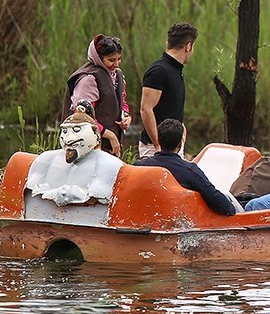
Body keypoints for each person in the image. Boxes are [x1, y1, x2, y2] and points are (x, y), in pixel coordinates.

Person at [135, 118, 240, 216]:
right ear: (180, 144)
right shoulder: (190, 171)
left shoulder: (140, 166)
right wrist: (231, 208)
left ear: (158, 141)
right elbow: (216, 200)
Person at [62, 34, 131, 157]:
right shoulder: (89, 79)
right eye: (111, 60)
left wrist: (126, 116)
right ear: (99, 58)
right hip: (89, 149)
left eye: (119, 59)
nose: (116, 64)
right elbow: (80, 116)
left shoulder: (116, 75)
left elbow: (122, 101)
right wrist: (109, 135)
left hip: (110, 148)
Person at [138, 22, 198, 159]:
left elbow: (169, 106)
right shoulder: (159, 71)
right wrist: (158, 145)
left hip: (174, 147)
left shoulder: (176, 70)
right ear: (188, 46)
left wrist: (181, 128)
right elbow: (145, 109)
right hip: (155, 148)